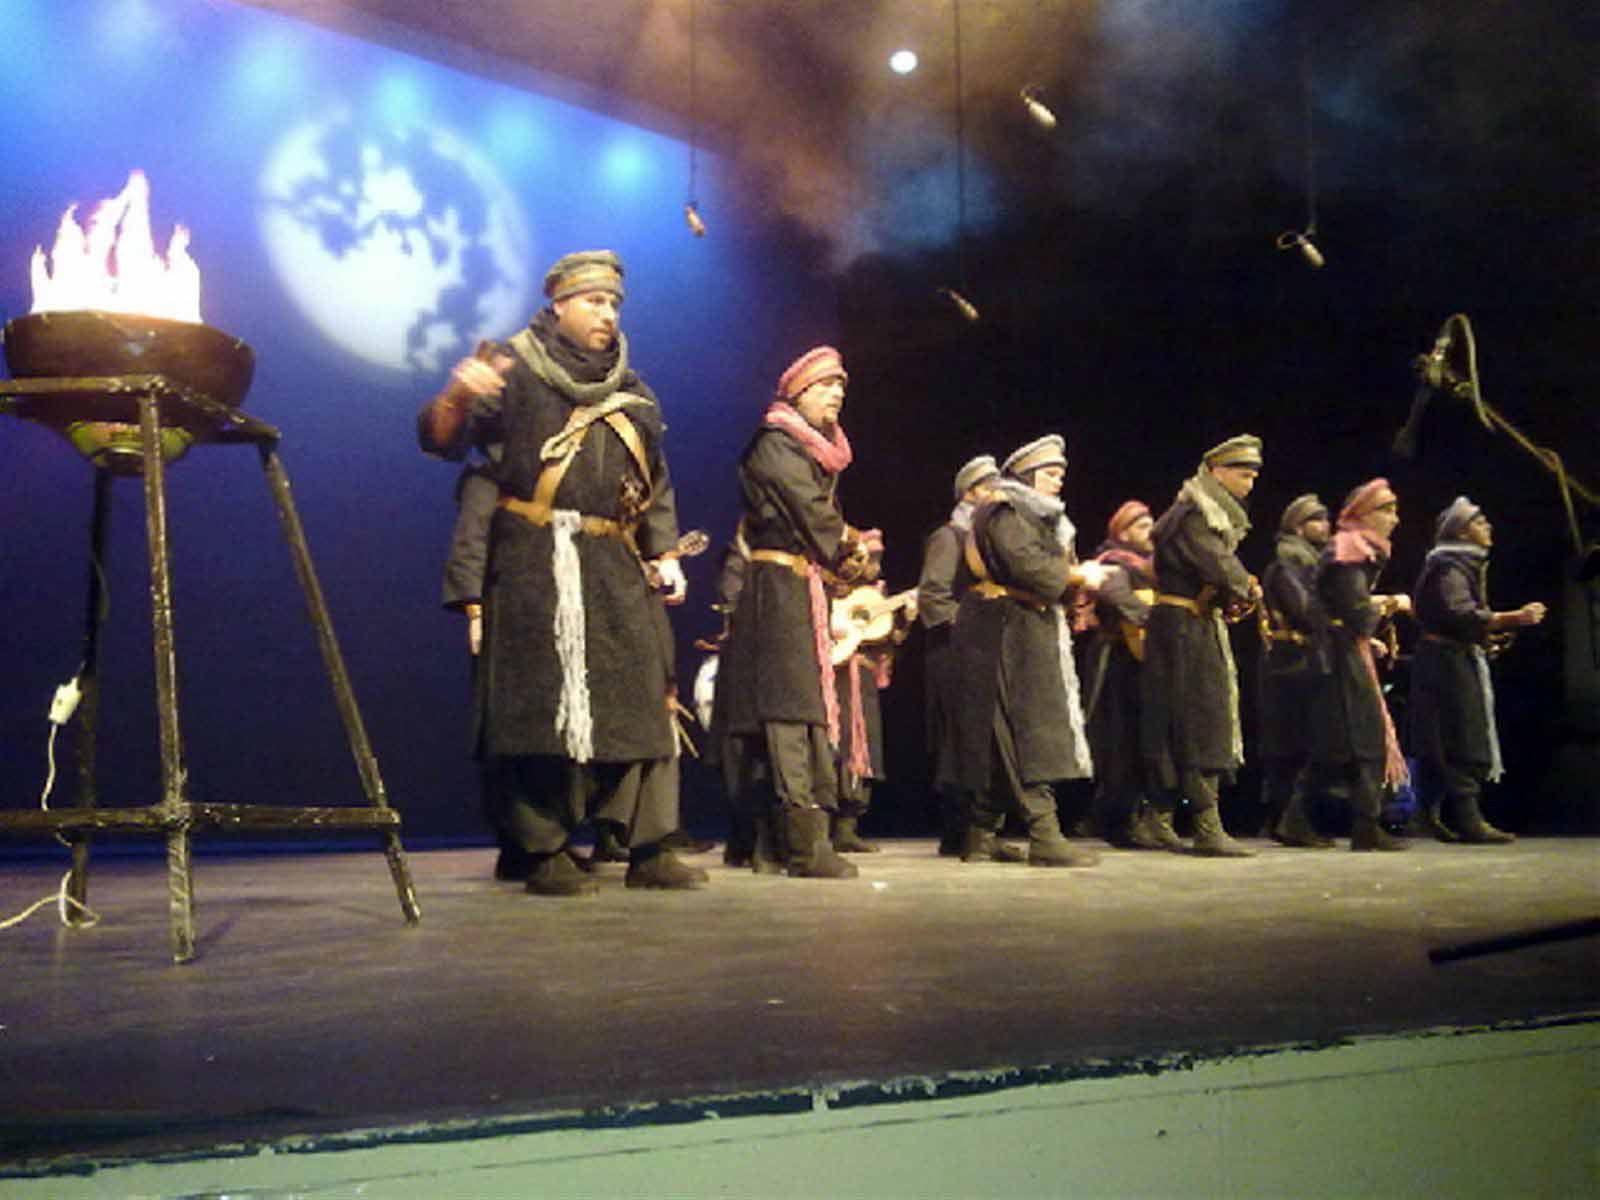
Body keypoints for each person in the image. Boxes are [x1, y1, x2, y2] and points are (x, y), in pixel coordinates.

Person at [418, 249, 706, 895]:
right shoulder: (513, 369)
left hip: (613, 561)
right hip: (530, 557)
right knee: (535, 705)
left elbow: (653, 480)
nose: (607, 313)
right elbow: (441, 439)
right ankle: (541, 846)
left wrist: (664, 553)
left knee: (641, 698)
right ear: (559, 303)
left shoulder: (635, 390)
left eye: (614, 303)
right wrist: (458, 396)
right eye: (593, 301)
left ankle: (650, 845)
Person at [716, 346, 870, 879]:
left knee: (801, 707)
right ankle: (802, 843)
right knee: (787, 707)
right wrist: (851, 548)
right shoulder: (776, 445)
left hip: (798, 582)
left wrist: (848, 561)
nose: (837, 394)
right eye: (826, 385)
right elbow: (811, 510)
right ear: (798, 392)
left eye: (841, 386)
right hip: (776, 587)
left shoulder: (808, 452)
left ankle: (775, 842)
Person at [947, 435, 1104, 867]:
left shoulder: (1030, 515)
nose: (1058, 482)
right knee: (1020, 730)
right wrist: (1075, 576)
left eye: (1060, 475)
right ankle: (1045, 833)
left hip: (1020, 625)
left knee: (1008, 731)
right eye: (1050, 474)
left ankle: (981, 834)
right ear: (1027, 476)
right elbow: (1027, 566)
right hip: (1000, 629)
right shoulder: (1007, 510)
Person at [1140, 435, 1264, 857]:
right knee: (1199, 717)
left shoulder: (1199, 514)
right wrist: (1245, 587)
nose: (1249, 484)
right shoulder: (1195, 515)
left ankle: (1158, 818)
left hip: (1188, 623)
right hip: (1183, 629)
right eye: (1243, 475)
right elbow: (1221, 567)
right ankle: (1206, 826)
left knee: (1180, 719)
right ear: (1215, 472)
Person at [1409, 497, 1546, 843]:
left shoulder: (1459, 564)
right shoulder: (1449, 567)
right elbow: (1459, 613)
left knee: (1445, 735)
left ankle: (1427, 814)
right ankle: (1467, 820)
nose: (1488, 527)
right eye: (1480, 521)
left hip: (1451, 657)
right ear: (1463, 530)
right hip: (1446, 662)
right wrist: (1512, 617)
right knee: (1461, 734)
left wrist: (1489, 635)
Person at [1298, 478, 1412, 852]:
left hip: (1343, 651)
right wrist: (1389, 604)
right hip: (1338, 657)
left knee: (1347, 744)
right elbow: (1356, 612)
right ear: (1364, 514)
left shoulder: (1357, 549)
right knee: (1355, 742)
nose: (1395, 518)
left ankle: (1341, 822)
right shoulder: (1350, 550)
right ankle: (1360, 825)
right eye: (1387, 509)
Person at [917, 454, 1000, 855]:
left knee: (974, 741)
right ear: (971, 492)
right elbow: (933, 595)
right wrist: (969, 628)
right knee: (960, 741)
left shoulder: (980, 540)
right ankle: (965, 833)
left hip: (974, 651)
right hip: (954, 654)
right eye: (991, 486)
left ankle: (964, 834)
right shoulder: (949, 537)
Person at [1081, 500, 1174, 849]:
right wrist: (1162, 620)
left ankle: (1130, 816)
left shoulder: (1150, 568)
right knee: (1118, 740)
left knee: (1141, 740)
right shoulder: (1113, 563)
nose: (1149, 532)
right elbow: (1120, 599)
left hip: (1140, 660)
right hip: (1115, 659)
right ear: (1122, 533)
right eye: (1140, 526)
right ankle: (1115, 820)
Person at [1258, 493, 1337, 847]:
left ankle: (1286, 820)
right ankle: (1289, 821)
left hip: (1300, 658)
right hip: (1292, 662)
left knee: (1296, 744)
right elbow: (1305, 611)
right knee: (1298, 743)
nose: (1326, 525)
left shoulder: (1308, 561)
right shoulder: (1288, 561)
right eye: (1318, 519)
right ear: (1298, 525)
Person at [830, 529, 912, 854]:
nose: (870, 565)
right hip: (830, 674)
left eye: (875, 559)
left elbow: (887, 638)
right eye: (865, 558)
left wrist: (903, 622)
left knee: (861, 745)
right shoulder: (826, 591)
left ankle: (848, 826)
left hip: (860, 674)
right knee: (835, 742)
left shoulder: (873, 596)